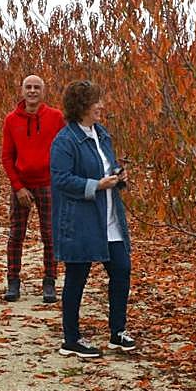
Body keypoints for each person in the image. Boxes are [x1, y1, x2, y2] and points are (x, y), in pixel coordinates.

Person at [49, 80, 134, 358]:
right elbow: (61, 180)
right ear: (81, 106)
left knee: (121, 270)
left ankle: (117, 332)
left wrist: (119, 177)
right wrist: (96, 185)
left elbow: (107, 166)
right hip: (82, 220)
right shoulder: (65, 140)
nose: (101, 106)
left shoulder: (102, 134)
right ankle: (70, 339)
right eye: (96, 101)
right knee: (77, 277)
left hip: (110, 218)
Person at [1, 74, 64, 303]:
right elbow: (7, 157)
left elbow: (64, 148)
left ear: (43, 91)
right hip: (22, 184)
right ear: (22, 91)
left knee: (50, 234)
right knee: (16, 234)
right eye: (28, 87)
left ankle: (49, 281)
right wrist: (17, 187)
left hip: (48, 183)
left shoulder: (56, 117)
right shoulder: (11, 120)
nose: (32, 91)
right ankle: (13, 281)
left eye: (37, 87)